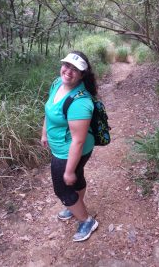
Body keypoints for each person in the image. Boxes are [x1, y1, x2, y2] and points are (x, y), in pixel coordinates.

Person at [41, 50, 99, 242]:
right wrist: (44, 132)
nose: (68, 71)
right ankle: (75, 205)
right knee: (76, 179)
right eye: (67, 65)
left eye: (75, 69)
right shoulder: (57, 84)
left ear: (82, 74)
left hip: (70, 151)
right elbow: (49, 110)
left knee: (63, 189)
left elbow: (78, 141)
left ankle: (86, 220)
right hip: (65, 147)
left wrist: (69, 170)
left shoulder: (80, 102)